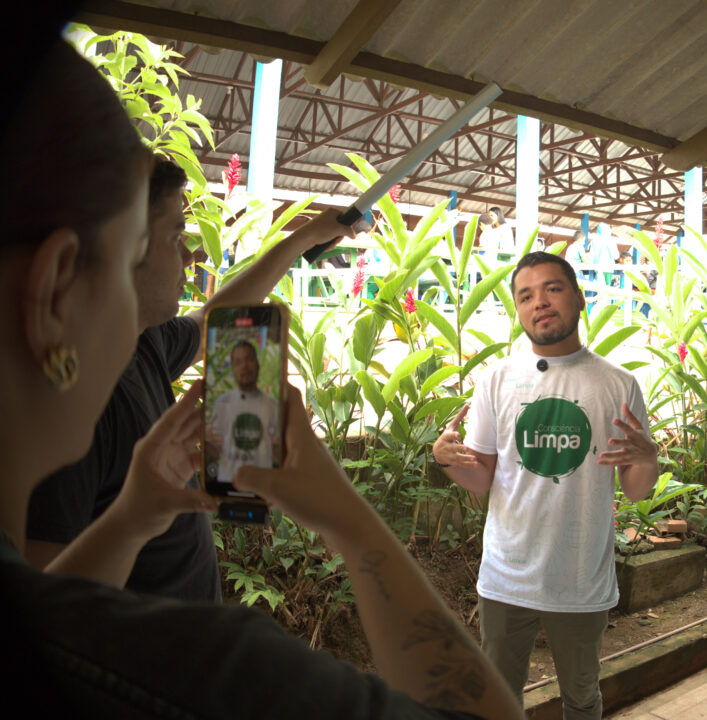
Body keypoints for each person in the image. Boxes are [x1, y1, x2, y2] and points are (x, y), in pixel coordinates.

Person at [0, 36, 522, 720]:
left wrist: (129, 520)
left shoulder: (145, 354)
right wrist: (351, 522)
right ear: (55, 292)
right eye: (147, 248)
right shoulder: (213, 673)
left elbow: (60, 609)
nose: (190, 259)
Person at [23, 152, 350, 602]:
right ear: (123, 249)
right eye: (176, 235)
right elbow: (46, 609)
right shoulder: (72, 409)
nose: (188, 256)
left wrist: (306, 237)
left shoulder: (141, 341)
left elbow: (212, 318)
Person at [431, 252, 660, 719]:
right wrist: (446, 461)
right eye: (526, 295)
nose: (539, 302)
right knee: (497, 700)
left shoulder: (618, 384)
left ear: (578, 297)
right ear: (518, 310)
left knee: (581, 698)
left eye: (552, 289)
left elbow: (636, 489)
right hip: (506, 576)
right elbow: (482, 478)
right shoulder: (497, 380)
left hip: (579, 578)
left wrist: (647, 458)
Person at [206, 341, 281, 483]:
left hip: (262, 486)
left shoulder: (273, 406)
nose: (244, 366)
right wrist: (207, 441)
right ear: (232, 369)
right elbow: (215, 451)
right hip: (227, 483)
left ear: (257, 364)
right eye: (238, 362)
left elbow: (278, 455)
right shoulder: (222, 402)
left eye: (249, 359)